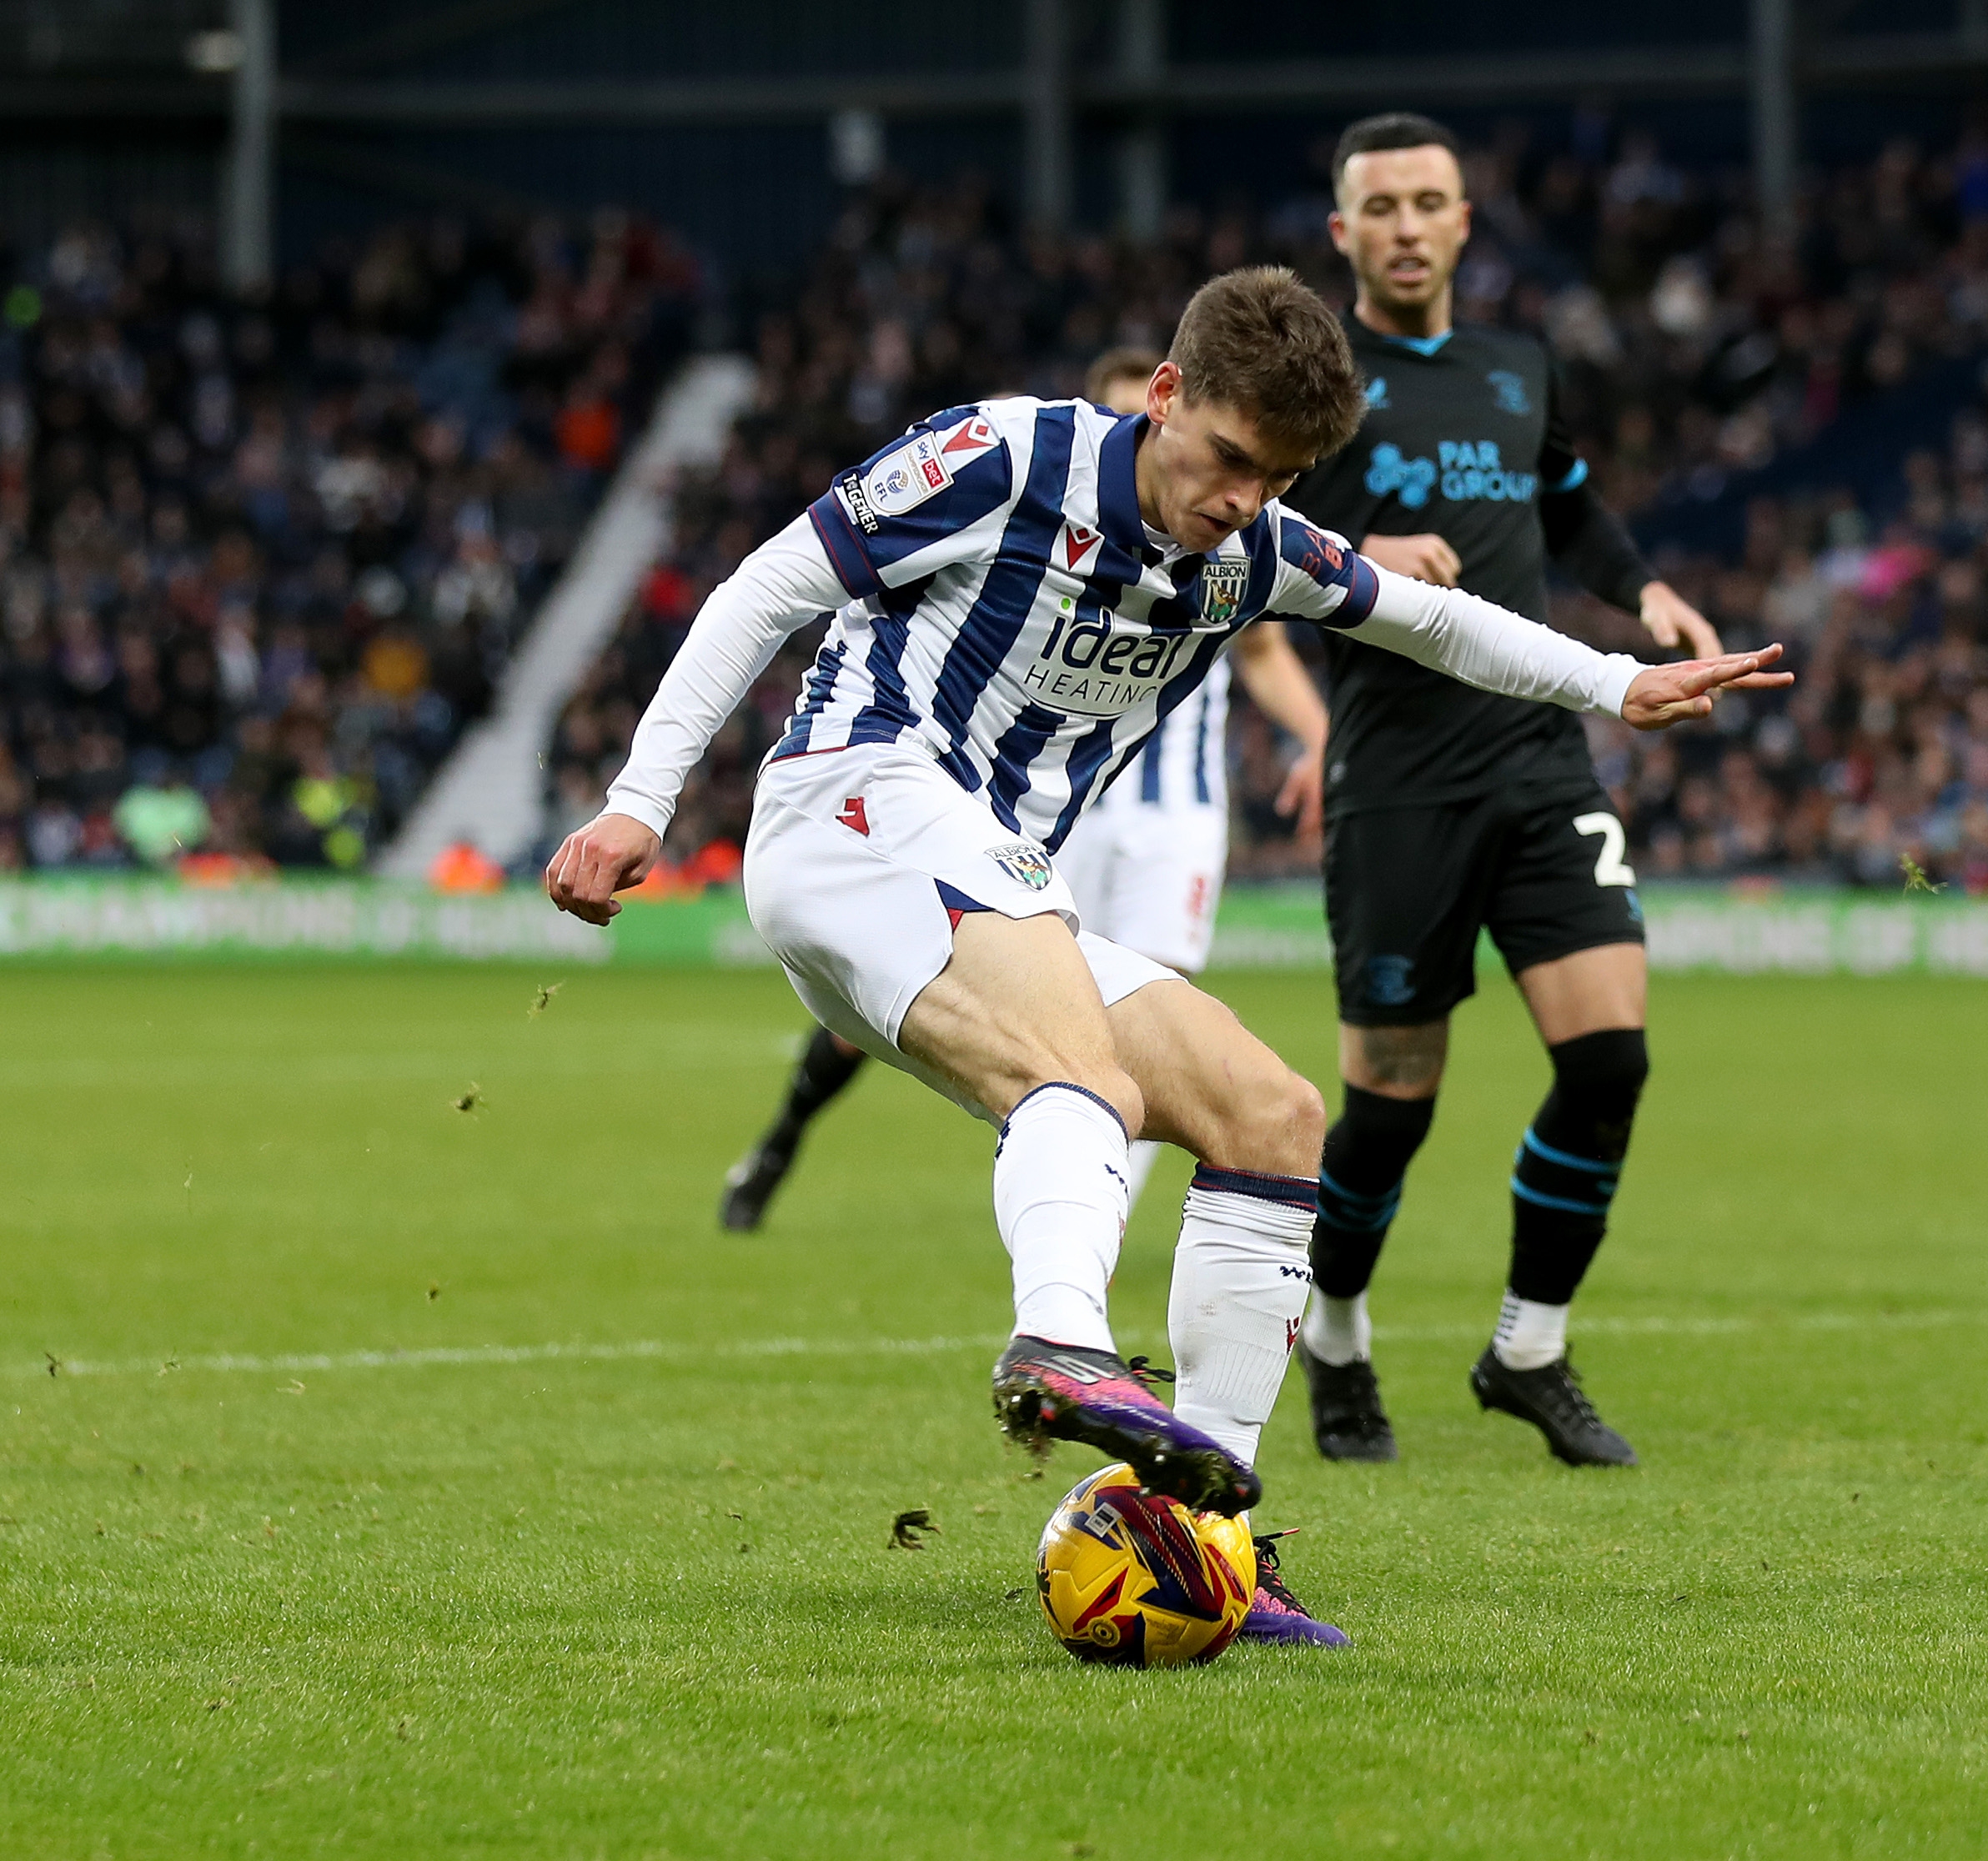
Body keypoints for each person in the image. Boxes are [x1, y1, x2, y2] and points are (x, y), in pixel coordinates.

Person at [545, 267, 1786, 1642]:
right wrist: (638, 800)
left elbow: (1429, 617)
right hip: (860, 805)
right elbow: (766, 585)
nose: (1242, 498)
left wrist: (1620, 684)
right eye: (1230, 460)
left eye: (1279, 477)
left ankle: (1211, 1541)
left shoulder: (1251, 550)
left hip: (988, 882)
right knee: (1085, 1072)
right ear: (1165, 394)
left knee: (1270, 1112)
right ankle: (1062, 1339)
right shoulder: (1006, 455)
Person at [1278, 113, 1726, 1469]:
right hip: (1397, 777)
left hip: (1538, 759)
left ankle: (1528, 1344)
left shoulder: (1518, 367)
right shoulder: (1305, 375)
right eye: (1382, 206)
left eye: (1431, 201)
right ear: (1341, 233)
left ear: (1467, 221)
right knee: (1390, 1106)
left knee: (1610, 1057)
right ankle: (1340, 1331)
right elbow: (1219, 513)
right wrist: (1353, 547)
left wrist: (1638, 584)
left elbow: (1570, 499)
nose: (1408, 226)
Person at [717, 346, 1333, 1231]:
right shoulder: (1057, 509)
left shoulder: (1227, 551)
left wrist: (1317, 738)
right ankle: (790, 1136)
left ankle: (1086, 1231)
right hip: (1053, 804)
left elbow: (1272, 647)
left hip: (1176, 819)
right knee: (950, 983)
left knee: (1163, 1027)